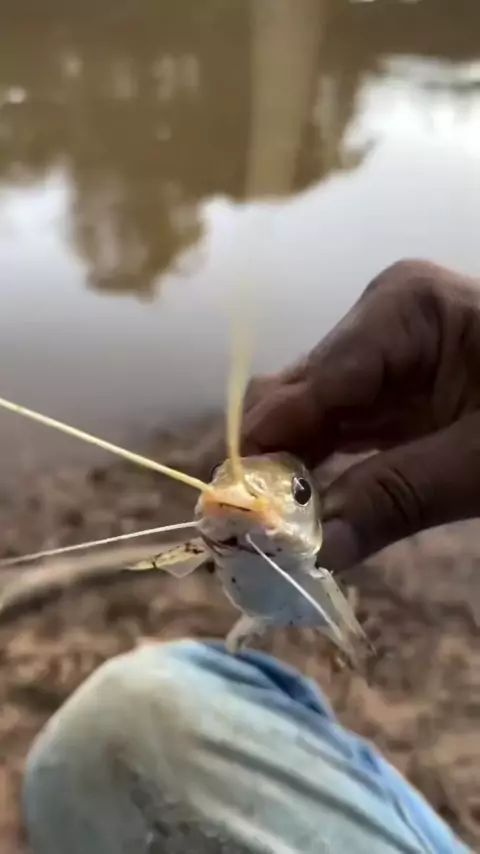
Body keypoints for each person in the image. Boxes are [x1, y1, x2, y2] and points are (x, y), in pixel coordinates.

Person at [23, 260, 477, 854]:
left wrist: (349, 635)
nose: (246, 498)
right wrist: (171, 557)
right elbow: (183, 554)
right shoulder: (215, 533)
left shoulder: (321, 562)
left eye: (294, 496)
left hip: (293, 593)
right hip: (253, 603)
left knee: (116, 723)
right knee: (105, 729)